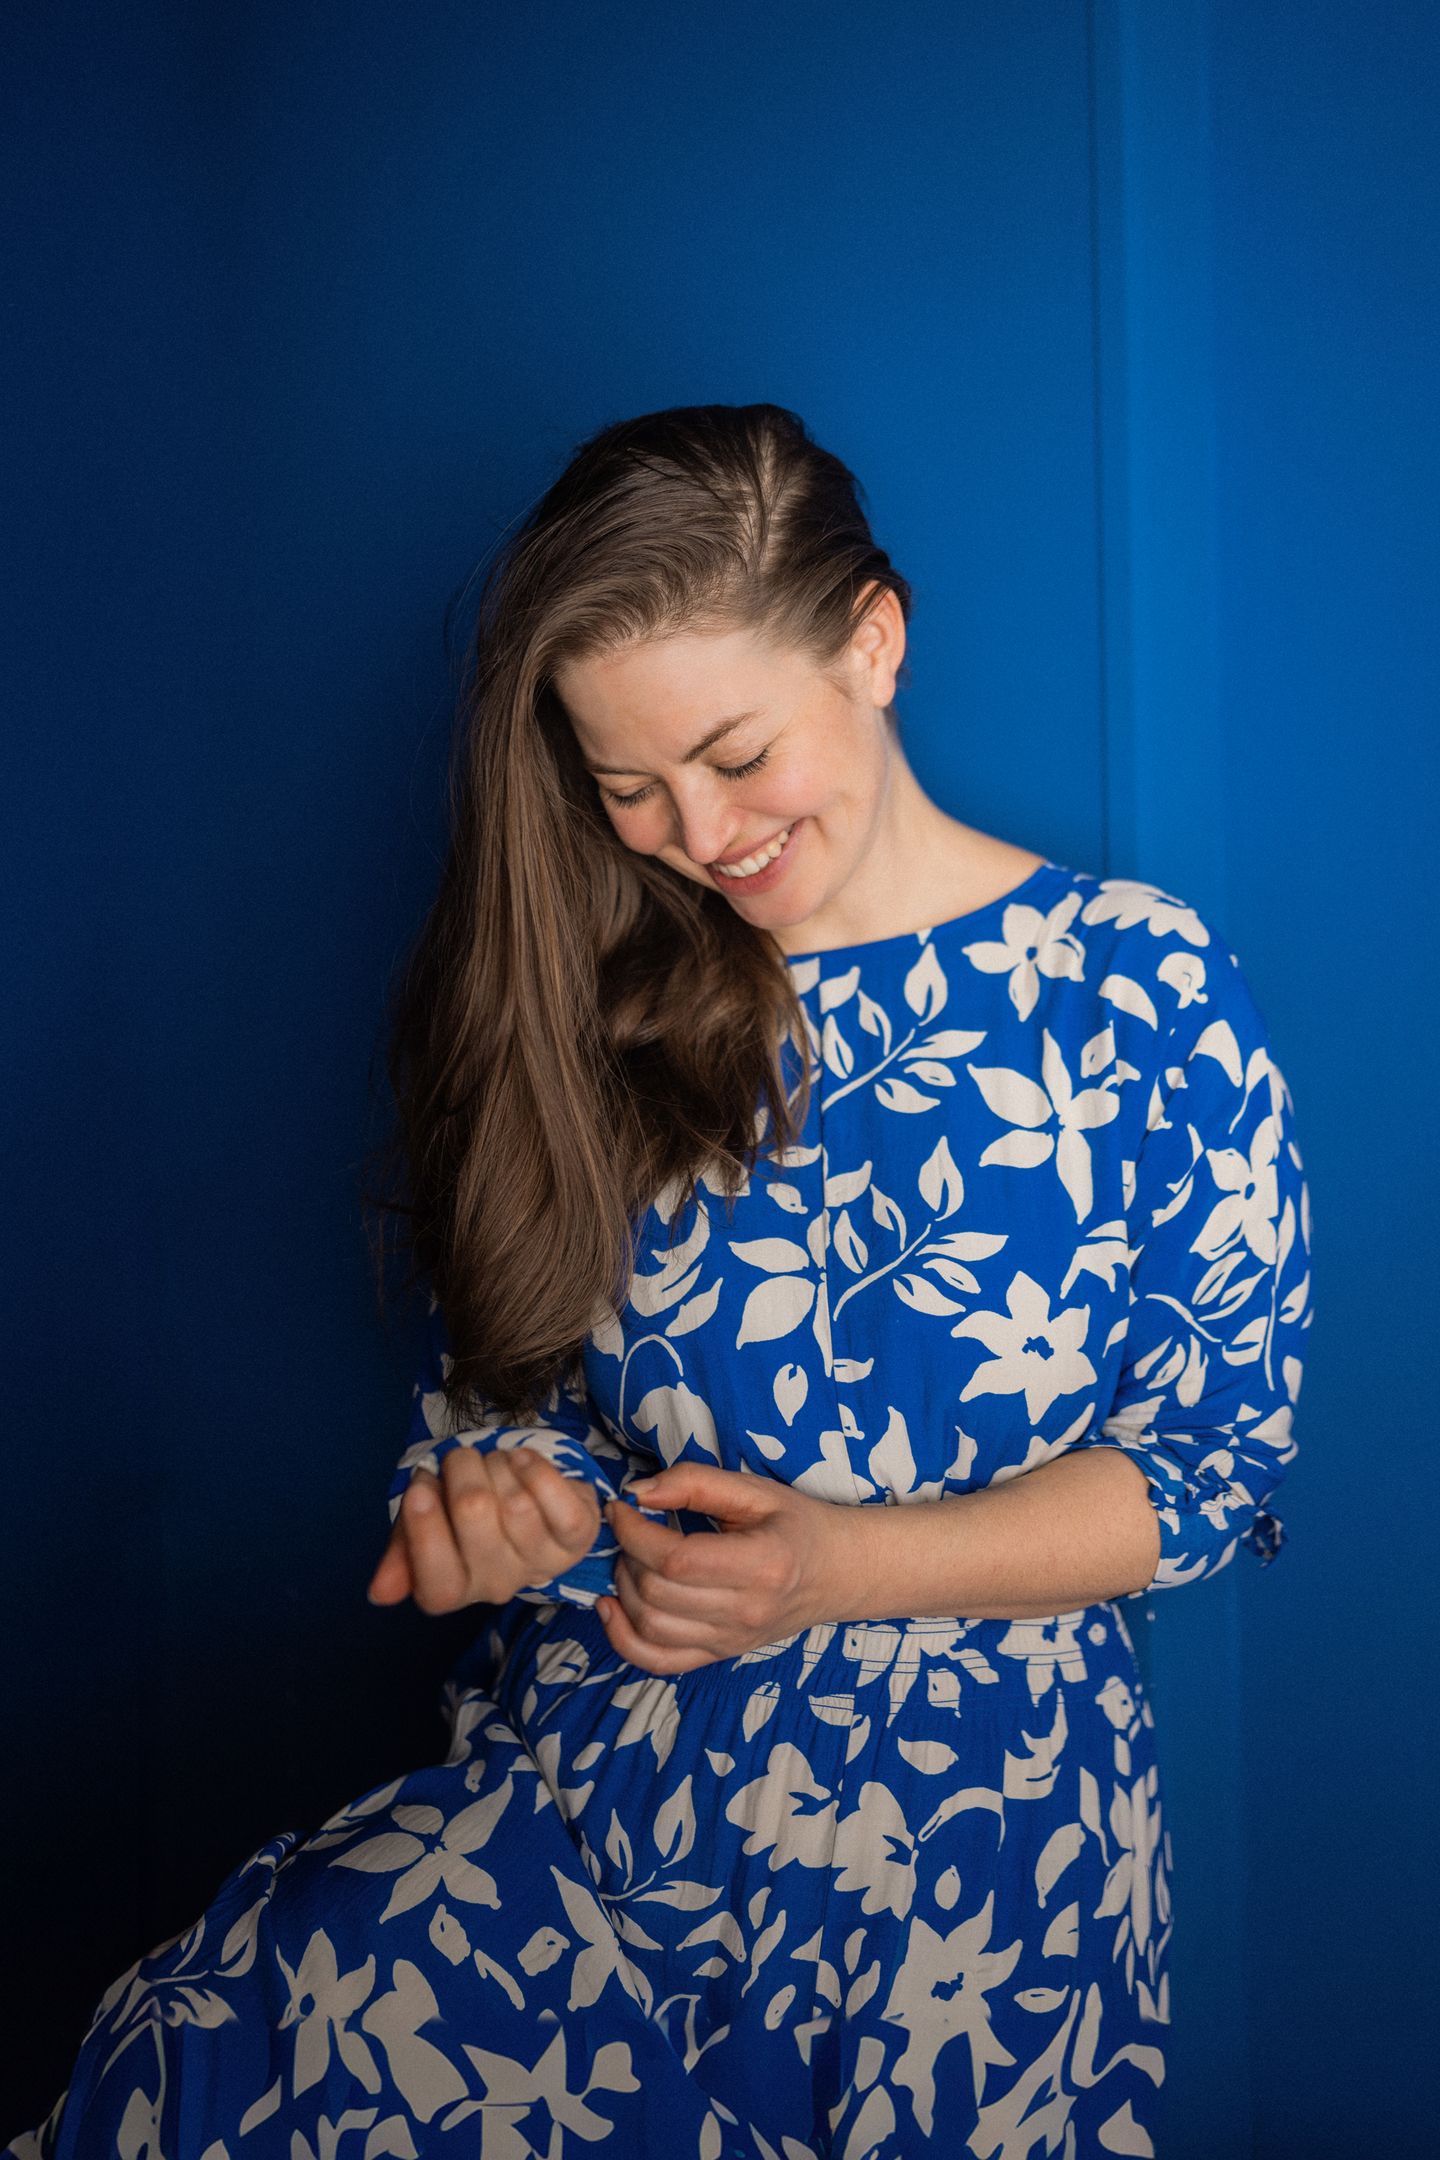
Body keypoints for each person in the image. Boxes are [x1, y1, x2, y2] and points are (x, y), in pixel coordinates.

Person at [10, 403, 1311, 2160]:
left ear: (872, 639)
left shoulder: (1141, 990)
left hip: (982, 1883)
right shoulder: (590, 1006)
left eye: (733, 754)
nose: (697, 831)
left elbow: (1210, 1476)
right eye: (629, 788)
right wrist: (499, 1504)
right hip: (601, 1829)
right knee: (195, 2078)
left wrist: (838, 1567)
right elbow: (514, 1407)